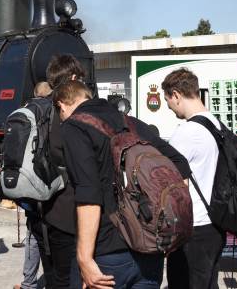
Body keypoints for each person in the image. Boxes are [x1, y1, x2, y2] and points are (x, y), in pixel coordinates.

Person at [58, 80, 191, 289]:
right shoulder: (131, 123)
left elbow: (89, 194)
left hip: (107, 253)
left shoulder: (74, 127)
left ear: (62, 105)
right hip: (149, 248)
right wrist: (172, 225)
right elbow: (180, 164)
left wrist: (84, 258)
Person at [162, 67, 226, 289]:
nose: (170, 108)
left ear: (176, 95)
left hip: (192, 227)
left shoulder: (187, 133)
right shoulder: (217, 125)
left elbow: (173, 186)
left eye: (168, 101)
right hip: (216, 223)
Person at [31, 54, 88, 288]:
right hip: (68, 214)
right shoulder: (69, 116)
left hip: (41, 210)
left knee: (53, 276)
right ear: (73, 78)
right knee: (69, 279)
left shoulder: (41, 110)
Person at [14, 81, 51, 289]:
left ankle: (28, 282)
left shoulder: (22, 111)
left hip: (27, 181)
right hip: (49, 180)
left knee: (33, 233)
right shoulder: (54, 111)